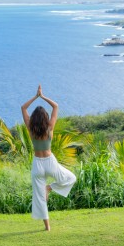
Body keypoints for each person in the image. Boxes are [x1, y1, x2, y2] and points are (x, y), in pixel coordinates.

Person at [21, 85, 76, 231]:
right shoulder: (49, 127)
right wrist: (42, 96)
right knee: (71, 178)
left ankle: (48, 227)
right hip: (50, 161)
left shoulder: (31, 128)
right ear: (45, 118)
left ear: (33, 119)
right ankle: (49, 188)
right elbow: (56, 106)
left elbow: (23, 108)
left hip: (37, 164)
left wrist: (35, 97)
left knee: (39, 198)